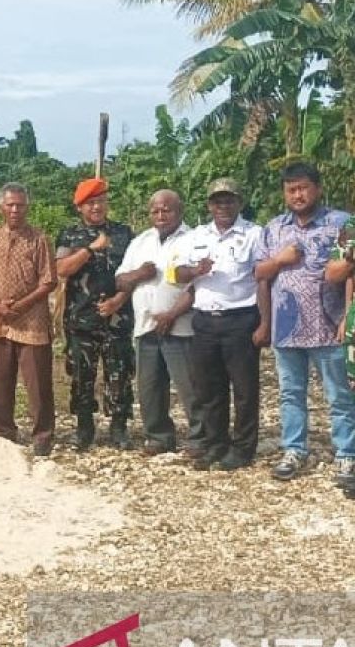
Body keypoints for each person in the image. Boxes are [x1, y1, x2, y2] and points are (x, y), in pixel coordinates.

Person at [255, 162, 355, 485]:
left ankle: (347, 455)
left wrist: (349, 318)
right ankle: (294, 450)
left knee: (340, 395)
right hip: (287, 329)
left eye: (303, 187)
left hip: (330, 325)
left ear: (318, 188)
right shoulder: (273, 229)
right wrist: (266, 322)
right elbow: (259, 275)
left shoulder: (341, 223)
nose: (297, 195)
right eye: (291, 189)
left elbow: (351, 271)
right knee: (290, 394)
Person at [173, 178, 266, 471]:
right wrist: (194, 270)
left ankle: (242, 449)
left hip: (240, 319)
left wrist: (264, 323)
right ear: (209, 205)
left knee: (244, 389)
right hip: (204, 320)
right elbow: (176, 272)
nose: (222, 206)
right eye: (217, 201)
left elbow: (263, 277)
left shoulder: (254, 234)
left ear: (239, 202)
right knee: (209, 388)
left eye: (228, 200)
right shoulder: (197, 235)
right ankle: (215, 445)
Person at [115, 190, 204, 457]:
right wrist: (140, 273)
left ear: (180, 211)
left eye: (167, 210)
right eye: (155, 210)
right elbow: (120, 280)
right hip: (145, 326)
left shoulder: (195, 239)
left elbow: (199, 284)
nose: (161, 215)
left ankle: (200, 438)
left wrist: (171, 315)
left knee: (190, 386)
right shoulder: (141, 242)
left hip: (181, 327)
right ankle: (159, 436)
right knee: (149, 386)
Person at [0, 182, 58, 456]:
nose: (15, 210)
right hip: (0, 321)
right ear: (1, 208)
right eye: (10, 205)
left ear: (27, 207)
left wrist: (20, 306)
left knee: (38, 383)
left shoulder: (39, 239)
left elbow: (48, 282)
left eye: (20, 205)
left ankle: (43, 435)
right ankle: (3, 432)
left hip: (32, 321)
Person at [55, 178, 136, 450]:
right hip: (81, 319)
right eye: (90, 203)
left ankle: (119, 427)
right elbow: (62, 269)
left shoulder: (124, 233)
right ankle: (84, 427)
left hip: (118, 317)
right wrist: (90, 250)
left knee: (120, 373)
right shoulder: (69, 235)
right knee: (81, 373)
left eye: (101, 201)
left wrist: (118, 300)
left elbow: (134, 274)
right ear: (79, 207)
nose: (97, 207)